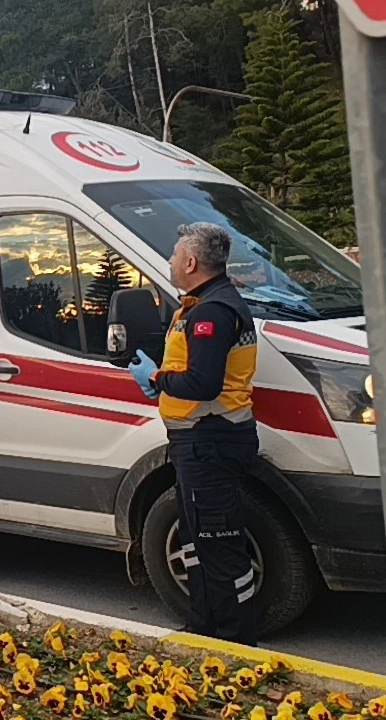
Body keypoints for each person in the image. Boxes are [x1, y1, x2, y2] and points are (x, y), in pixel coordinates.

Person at [129, 222, 260, 645]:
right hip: (198, 441)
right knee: (197, 543)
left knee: (219, 546)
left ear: (190, 262)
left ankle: (238, 642)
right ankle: (203, 632)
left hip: (211, 441)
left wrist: (158, 379)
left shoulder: (212, 312)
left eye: (174, 254)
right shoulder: (202, 305)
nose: (170, 260)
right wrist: (164, 381)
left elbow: (203, 384)